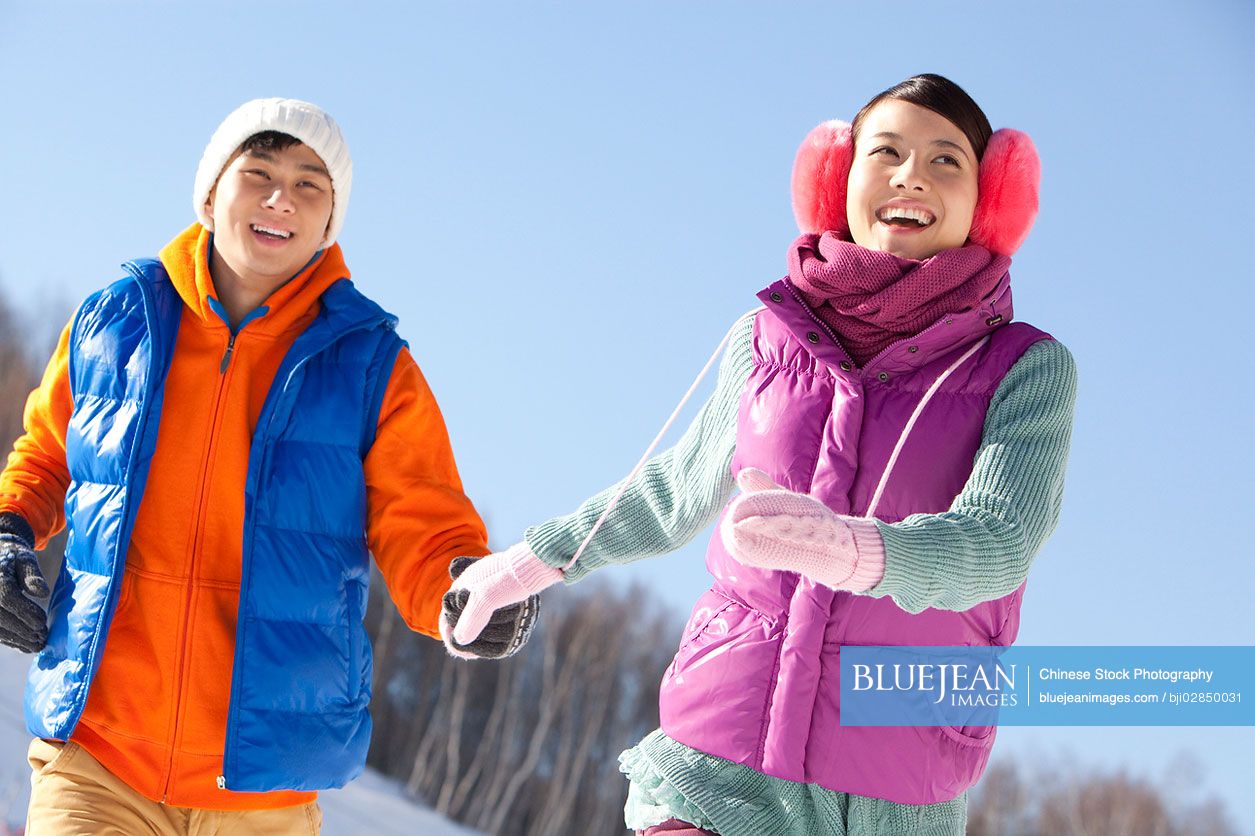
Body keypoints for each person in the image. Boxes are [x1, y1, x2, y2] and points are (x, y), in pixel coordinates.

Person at [441, 74, 1078, 835]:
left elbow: (1000, 540)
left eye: (946, 161)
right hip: (718, 756)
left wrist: (855, 553)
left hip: (886, 787)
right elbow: (672, 493)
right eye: (887, 152)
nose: (911, 174)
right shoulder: (765, 340)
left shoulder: (1023, 367)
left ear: (990, 201)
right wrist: (524, 564)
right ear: (837, 178)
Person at [0, 98, 522, 834]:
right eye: (259, 173)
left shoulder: (371, 366)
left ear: (329, 221)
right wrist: (8, 532)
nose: (282, 199)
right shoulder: (119, 320)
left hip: (263, 796)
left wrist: (463, 593)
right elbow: (47, 454)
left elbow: (422, 520)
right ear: (211, 193)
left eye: (311, 185)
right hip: (98, 758)